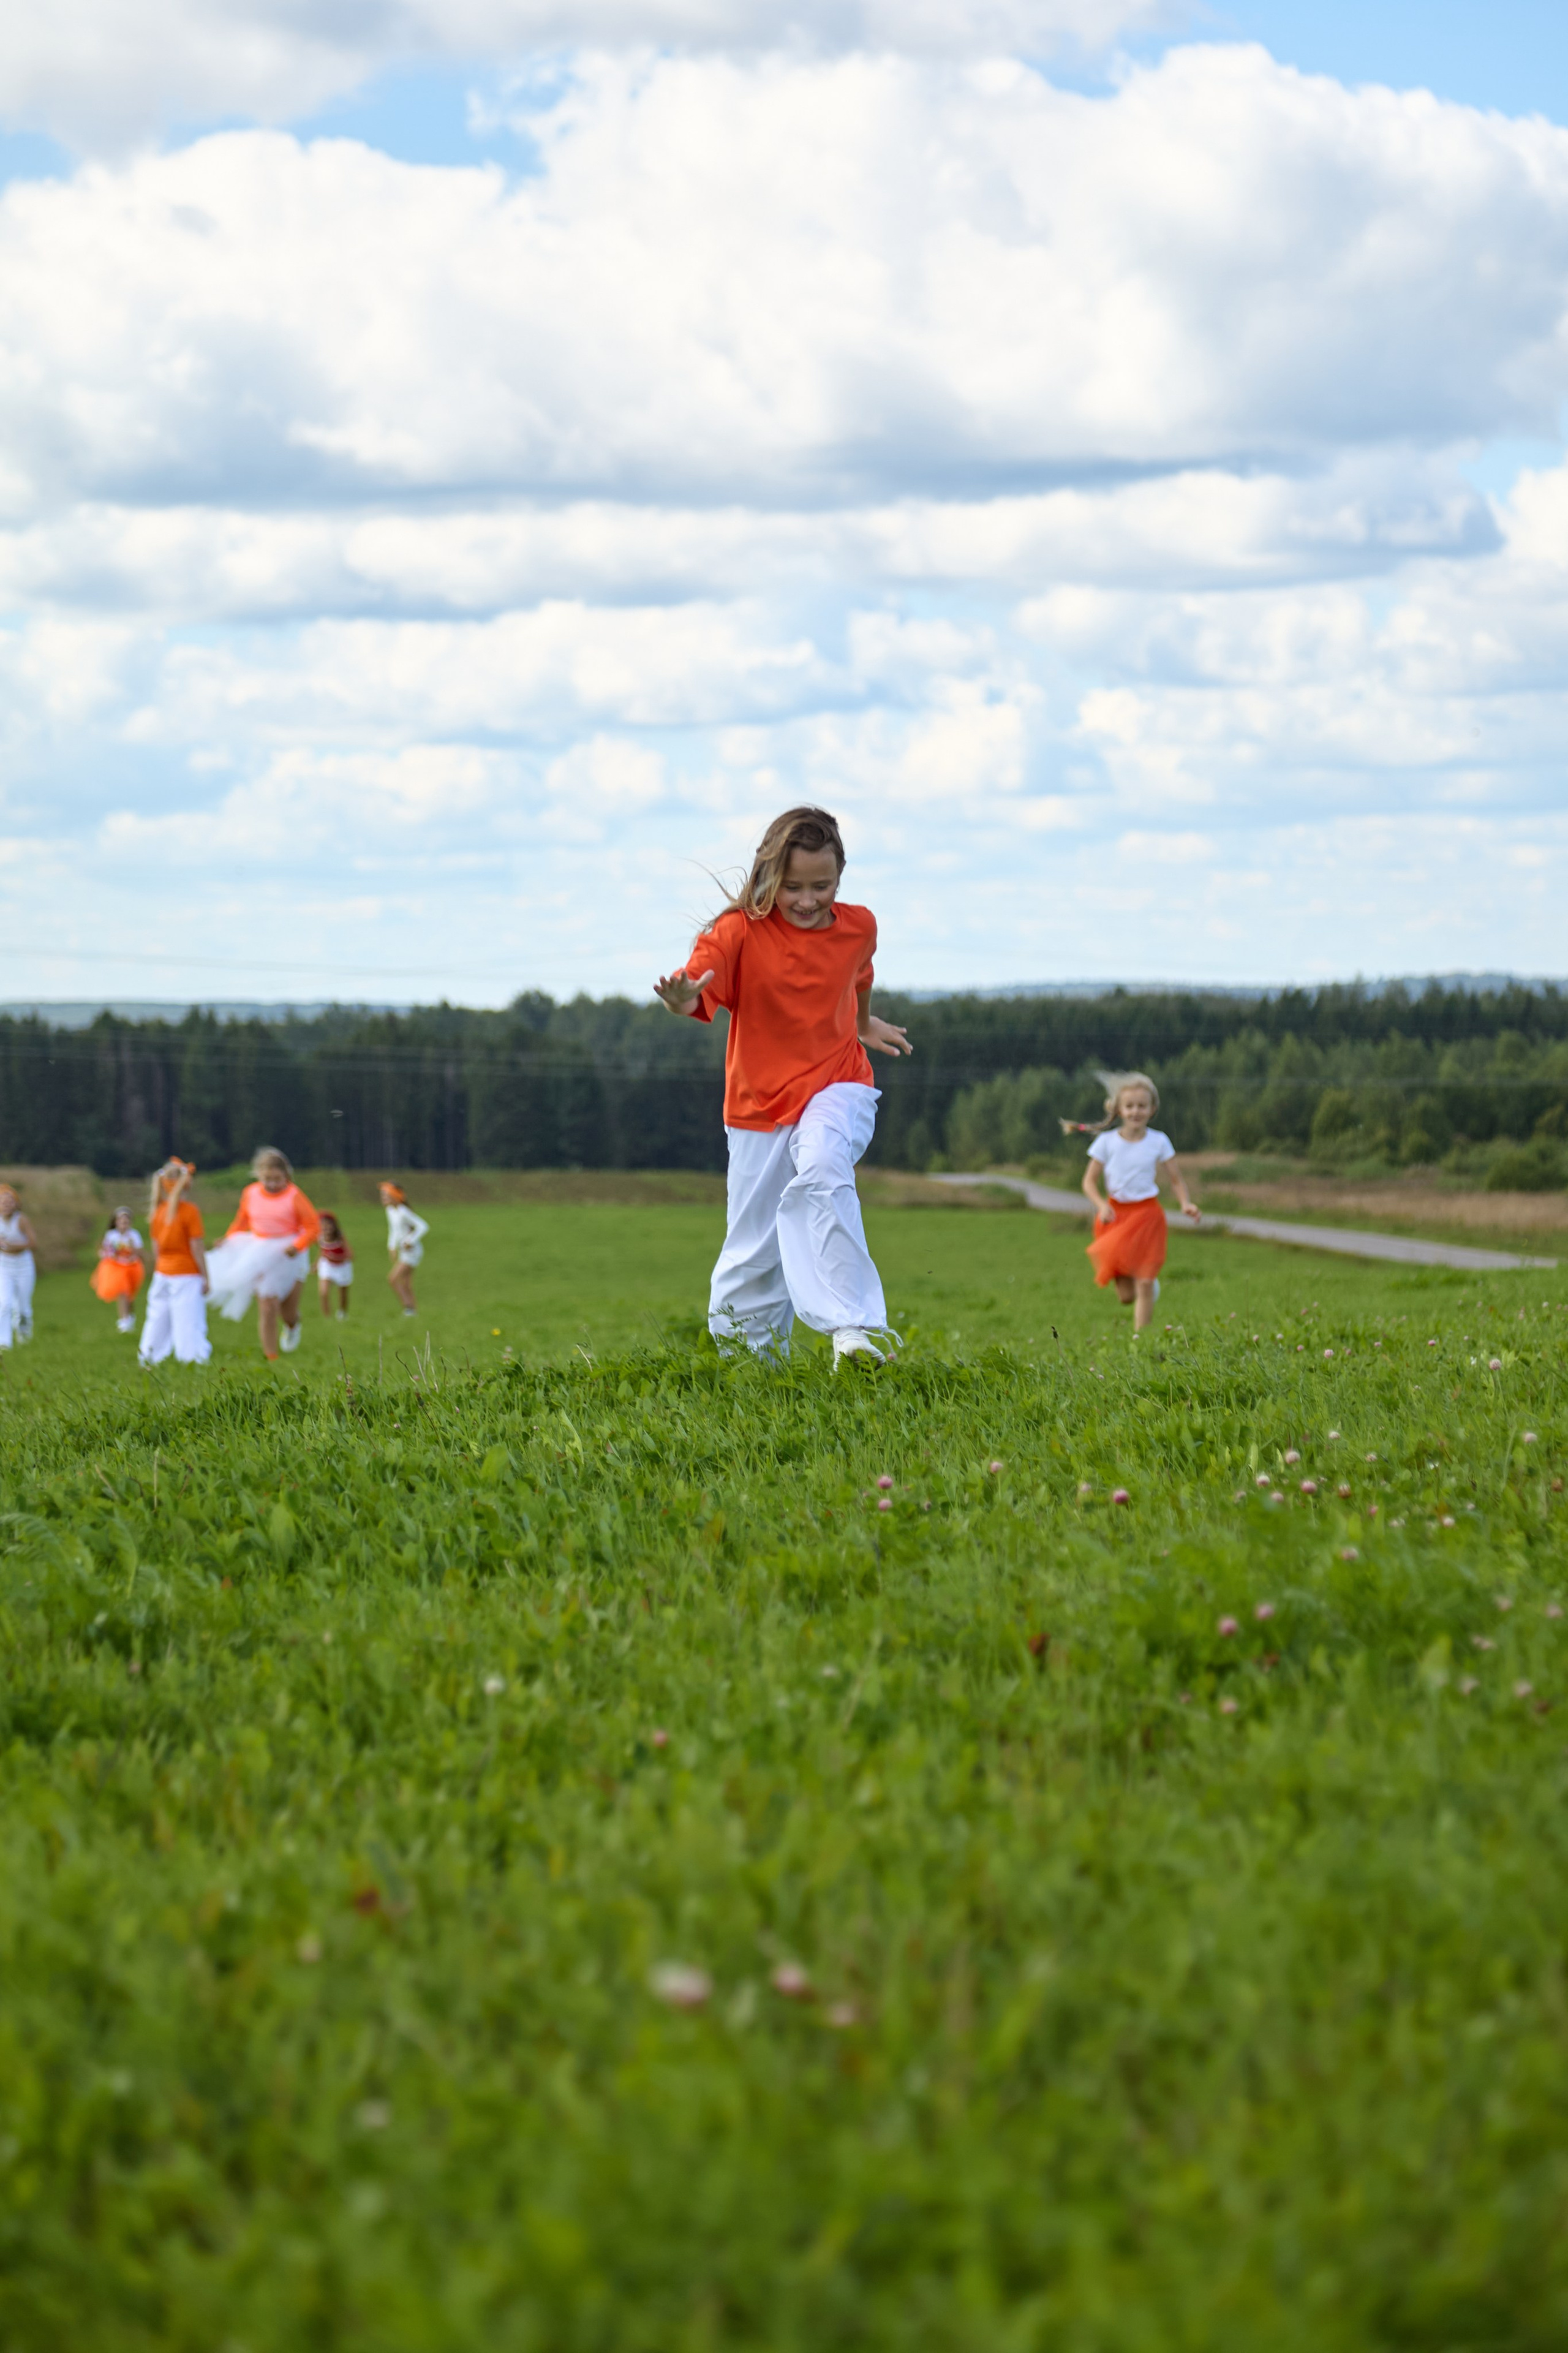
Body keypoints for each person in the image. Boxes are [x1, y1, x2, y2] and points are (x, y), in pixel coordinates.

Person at [654, 804, 911, 1367]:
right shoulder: (738, 932)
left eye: (822, 885)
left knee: (821, 1166)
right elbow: (701, 985)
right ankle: (751, 1367)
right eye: (793, 886)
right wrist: (684, 1000)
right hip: (758, 1107)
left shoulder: (859, 925)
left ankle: (854, 1331)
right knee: (753, 1250)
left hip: (838, 1086)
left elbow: (859, 974)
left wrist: (863, 1023)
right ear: (770, 875)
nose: (808, 899)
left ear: (840, 876)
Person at [1079, 1071, 1200, 1333]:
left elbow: (1176, 1180)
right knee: (1126, 1296)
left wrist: (1185, 1204)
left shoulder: (1159, 1141)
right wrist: (1102, 1205)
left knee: (1144, 1284)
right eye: (1130, 1106)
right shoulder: (1106, 1142)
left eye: (1142, 1106)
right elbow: (1088, 1182)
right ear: (1119, 1109)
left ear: (1152, 1109)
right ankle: (1145, 1286)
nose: (1136, 1111)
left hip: (1148, 1215)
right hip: (1116, 1217)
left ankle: (1142, 1340)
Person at [205, 1148, 320, 1360]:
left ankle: (293, 1325)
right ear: (259, 1175)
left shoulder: (295, 1196)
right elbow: (242, 1221)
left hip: (290, 1253)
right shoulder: (250, 1193)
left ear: (286, 1176)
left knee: (288, 1312)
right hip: (260, 1250)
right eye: (268, 1179)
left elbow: (313, 1226)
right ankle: (271, 1356)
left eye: (278, 1179)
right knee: (267, 1305)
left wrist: (298, 1246)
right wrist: (228, 1239)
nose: (273, 1184)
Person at [139, 1159, 211, 1367]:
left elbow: (156, 1250)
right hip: (186, 1274)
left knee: (157, 1320)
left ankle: (149, 1358)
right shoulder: (190, 1211)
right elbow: (197, 1247)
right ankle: (192, 1359)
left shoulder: (157, 1212)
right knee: (189, 1320)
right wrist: (206, 1276)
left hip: (162, 1273)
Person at [91, 1206, 146, 1334]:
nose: (124, 1224)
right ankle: (123, 1321)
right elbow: (106, 1250)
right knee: (122, 1292)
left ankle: (130, 1317)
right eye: (121, 1222)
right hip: (116, 1268)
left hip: (131, 1267)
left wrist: (134, 1250)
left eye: (126, 1222)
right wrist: (105, 1253)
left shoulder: (134, 1235)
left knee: (129, 1295)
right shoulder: (111, 1235)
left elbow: (140, 1252)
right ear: (116, 1222)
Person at [0, 1183, 39, 1349]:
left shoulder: (21, 1220)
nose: (7, 1205)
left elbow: (33, 1243)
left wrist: (13, 1246)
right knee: (5, 1304)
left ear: (16, 1204)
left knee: (23, 1309)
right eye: (3, 1202)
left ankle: (24, 1337)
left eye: (10, 1202)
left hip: (24, 1266)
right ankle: (4, 1342)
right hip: (4, 1266)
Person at [380, 1184, 428, 1317]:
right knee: (406, 1283)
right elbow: (393, 1230)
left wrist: (409, 1241)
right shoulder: (390, 1211)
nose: (383, 1198)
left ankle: (408, 1308)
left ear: (395, 1196)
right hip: (403, 1252)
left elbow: (423, 1226)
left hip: (412, 1252)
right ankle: (413, 1311)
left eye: (386, 1195)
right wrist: (392, 1247)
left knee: (393, 1279)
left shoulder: (403, 1211)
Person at [317, 1211, 353, 1318]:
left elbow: (351, 1255)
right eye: (323, 1225)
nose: (326, 1228)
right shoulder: (320, 1237)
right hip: (327, 1266)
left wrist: (336, 1258)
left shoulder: (340, 1237)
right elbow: (322, 1251)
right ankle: (327, 1317)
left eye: (328, 1224)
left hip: (342, 1266)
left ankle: (342, 1313)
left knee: (342, 1294)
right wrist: (316, 1265)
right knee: (323, 1292)